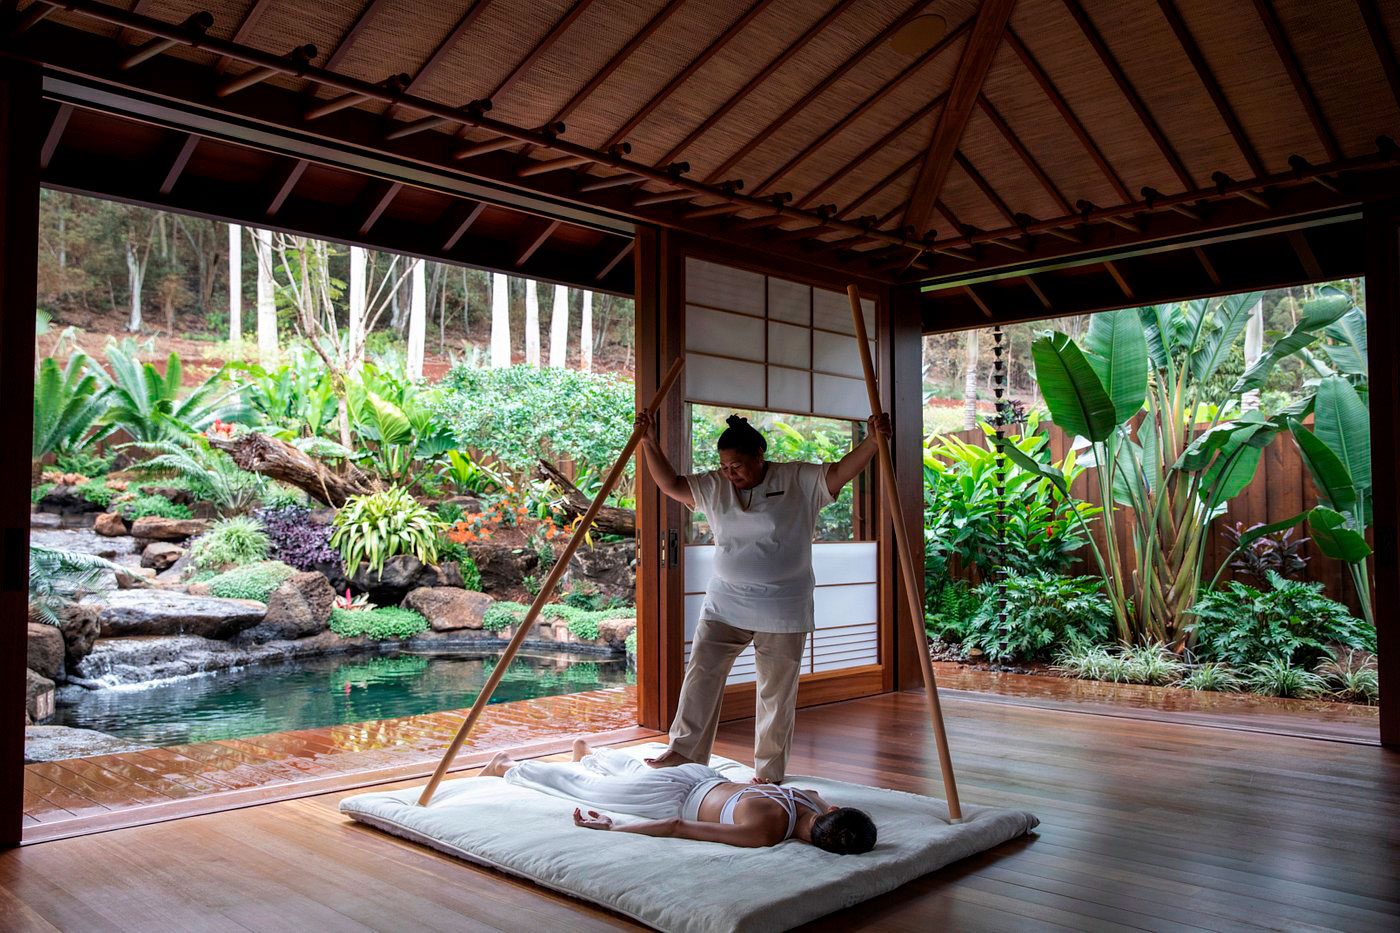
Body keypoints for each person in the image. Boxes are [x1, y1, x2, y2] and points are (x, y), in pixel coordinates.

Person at [634, 409, 890, 783]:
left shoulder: (796, 479)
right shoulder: (715, 486)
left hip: (782, 608)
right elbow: (671, 485)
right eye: (724, 466)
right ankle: (684, 751)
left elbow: (838, 473)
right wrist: (647, 442)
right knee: (701, 673)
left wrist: (871, 441)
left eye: (737, 465)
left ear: (759, 455)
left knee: (775, 692)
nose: (730, 473)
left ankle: (768, 772)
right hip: (725, 603)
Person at [479, 740, 876, 853]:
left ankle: (592, 754)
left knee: (633, 773)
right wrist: (615, 827)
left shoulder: (810, 799)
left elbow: (818, 795)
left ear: (832, 812)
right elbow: (677, 826)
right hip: (674, 798)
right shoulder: (764, 832)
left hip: (702, 775)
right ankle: (506, 764)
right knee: (587, 790)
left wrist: (824, 808)